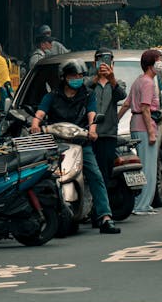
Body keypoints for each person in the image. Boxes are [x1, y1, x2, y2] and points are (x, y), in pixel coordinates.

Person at [29, 59, 121, 234]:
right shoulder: (52, 96)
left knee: (96, 175)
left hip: (81, 144)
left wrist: (92, 130)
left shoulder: (87, 94)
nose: (77, 79)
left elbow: (92, 114)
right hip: (55, 145)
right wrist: (35, 125)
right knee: (41, 176)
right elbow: (40, 113)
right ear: (64, 77)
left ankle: (105, 217)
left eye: (80, 76)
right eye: (73, 76)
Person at [118, 49, 161, 216]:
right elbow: (145, 108)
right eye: (159, 61)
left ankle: (141, 203)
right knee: (148, 168)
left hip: (135, 124)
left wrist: (116, 120)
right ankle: (141, 205)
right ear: (151, 65)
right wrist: (151, 132)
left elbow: (127, 103)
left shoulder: (138, 80)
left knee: (142, 165)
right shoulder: (148, 83)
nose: (161, 65)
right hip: (144, 126)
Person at [88, 50, 126, 191]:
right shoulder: (89, 83)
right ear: (95, 63)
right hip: (91, 134)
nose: (104, 65)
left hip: (109, 134)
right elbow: (81, 92)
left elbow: (121, 95)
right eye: (100, 61)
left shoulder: (117, 83)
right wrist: (96, 78)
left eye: (107, 61)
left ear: (113, 64)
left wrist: (112, 79)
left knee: (105, 173)